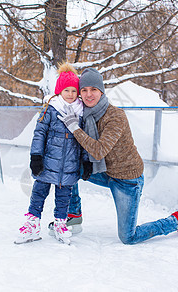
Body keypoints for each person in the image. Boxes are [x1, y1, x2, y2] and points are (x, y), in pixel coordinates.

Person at [56, 67, 178, 245]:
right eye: (84, 90)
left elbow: (98, 151)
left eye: (94, 90)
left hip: (127, 180)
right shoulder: (83, 114)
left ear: (101, 91)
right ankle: (74, 214)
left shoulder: (115, 116)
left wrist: (75, 128)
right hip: (106, 172)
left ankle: (173, 221)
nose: (89, 94)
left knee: (129, 237)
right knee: (67, 166)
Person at [14, 62, 84, 245]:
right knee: (38, 194)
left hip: (69, 166)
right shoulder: (50, 109)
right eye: (66, 90)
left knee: (63, 199)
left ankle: (60, 225)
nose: (70, 94)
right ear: (59, 91)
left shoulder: (81, 112)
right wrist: (36, 156)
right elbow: (39, 133)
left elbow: (84, 140)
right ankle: (32, 224)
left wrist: (85, 161)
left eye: (73, 91)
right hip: (47, 163)